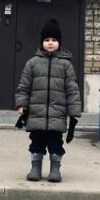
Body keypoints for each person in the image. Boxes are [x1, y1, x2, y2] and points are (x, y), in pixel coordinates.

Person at [15, 18, 82, 183]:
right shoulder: (32, 63)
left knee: (55, 143)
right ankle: (35, 168)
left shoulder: (66, 65)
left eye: (54, 40)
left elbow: (72, 89)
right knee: (36, 142)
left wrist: (74, 111)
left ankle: (55, 170)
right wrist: (22, 103)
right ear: (41, 42)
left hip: (57, 113)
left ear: (59, 43)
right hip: (36, 113)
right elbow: (24, 85)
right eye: (46, 40)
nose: (50, 43)